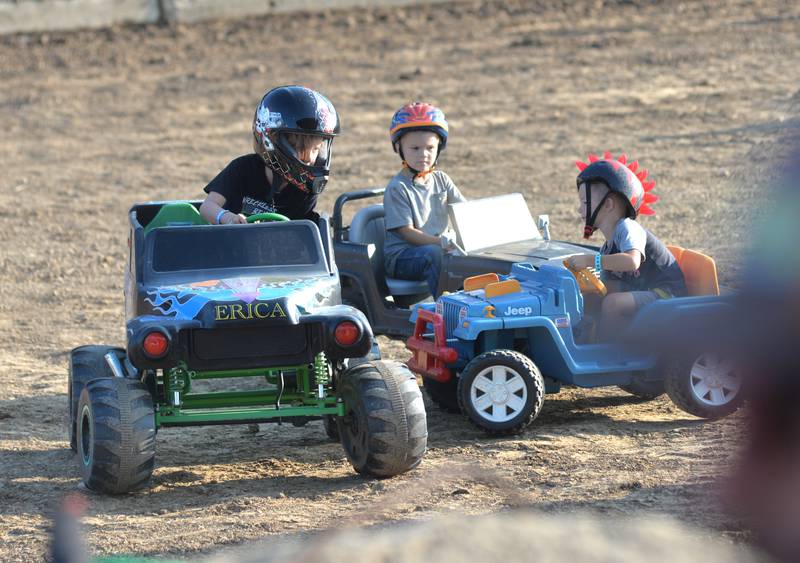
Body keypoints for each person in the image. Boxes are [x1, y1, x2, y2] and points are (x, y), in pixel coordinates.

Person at [564, 152, 686, 337]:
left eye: (586, 202)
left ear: (608, 205)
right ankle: (585, 339)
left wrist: (590, 260)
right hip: (642, 288)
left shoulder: (629, 228)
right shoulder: (609, 244)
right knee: (592, 296)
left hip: (667, 293)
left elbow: (632, 262)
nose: (579, 209)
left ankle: (611, 351)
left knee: (613, 303)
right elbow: (609, 282)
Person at [199, 85, 340, 225]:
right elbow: (207, 208)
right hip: (231, 242)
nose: (309, 158)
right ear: (271, 141)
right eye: (300, 148)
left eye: (315, 149)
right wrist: (227, 217)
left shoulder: (305, 187)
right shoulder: (242, 169)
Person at [382, 102, 466, 297]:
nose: (424, 154)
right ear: (399, 148)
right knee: (435, 255)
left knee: (472, 257)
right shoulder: (398, 188)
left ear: (440, 147)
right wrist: (441, 243)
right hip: (403, 257)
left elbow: (464, 211)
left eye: (430, 147)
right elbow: (407, 233)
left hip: (438, 248)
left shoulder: (442, 179)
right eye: (415, 148)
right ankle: (446, 310)